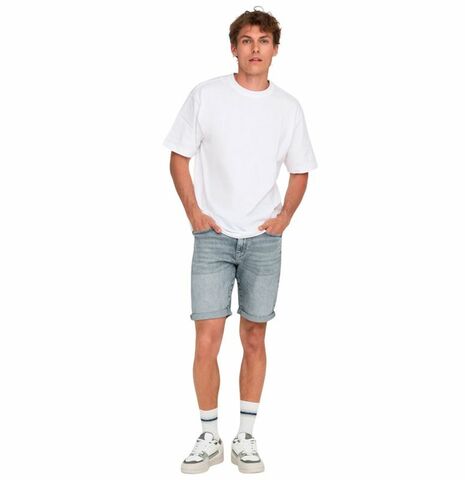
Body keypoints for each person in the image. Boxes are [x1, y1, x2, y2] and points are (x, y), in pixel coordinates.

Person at [163, 7, 317, 474]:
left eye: (263, 41)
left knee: (254, 336)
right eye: (247, 40)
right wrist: (195, 214)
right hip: (213, 237)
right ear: (234, 47)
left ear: (275, 50)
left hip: (263, 240)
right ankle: (209, 436)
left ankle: (245, 436)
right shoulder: (207, 95)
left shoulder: (288, 107)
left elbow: (300, 169)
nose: (255, 49)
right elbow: (179, 157)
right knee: (206, 339)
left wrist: (284, 217)